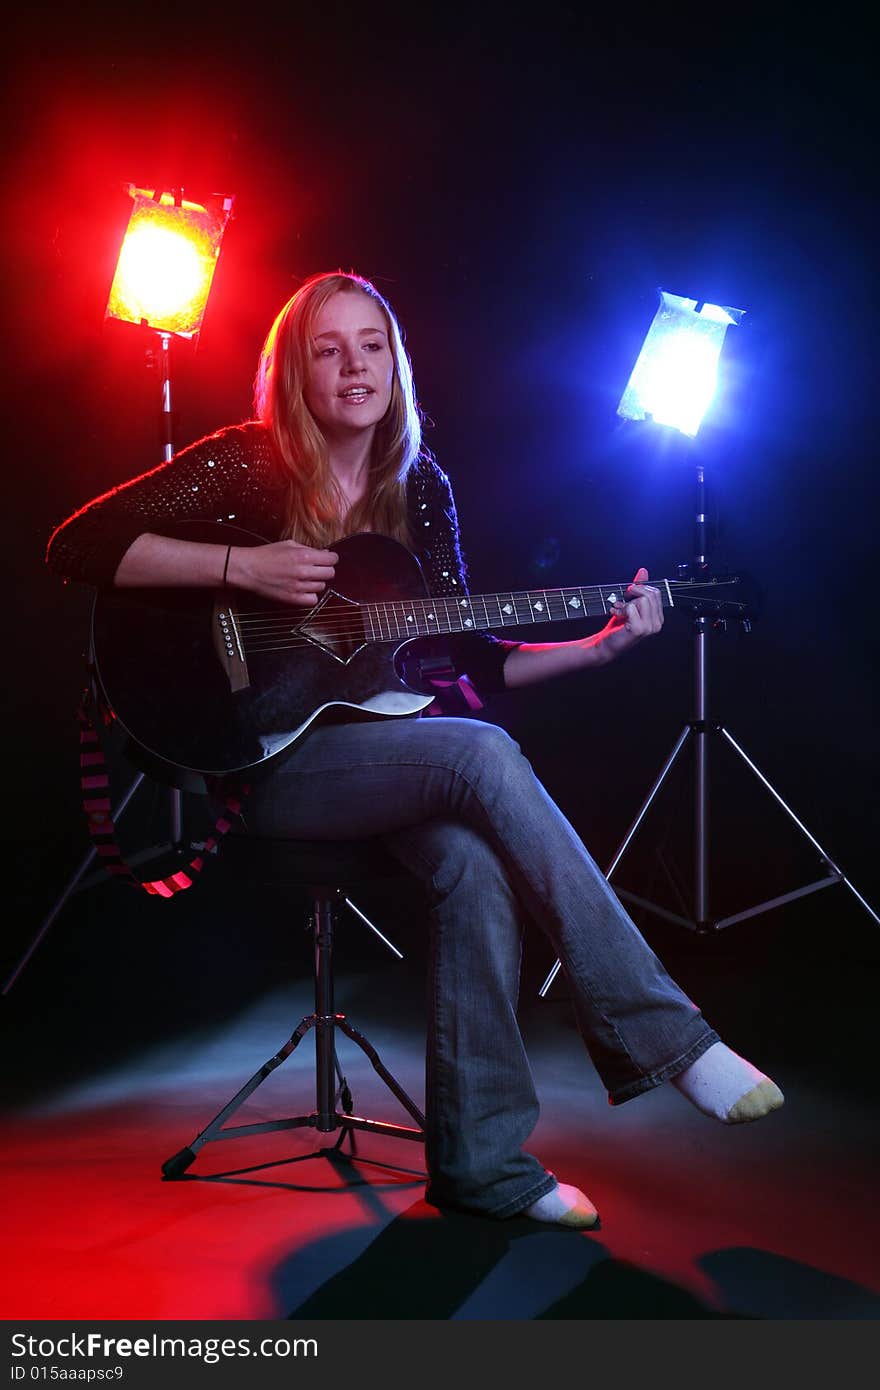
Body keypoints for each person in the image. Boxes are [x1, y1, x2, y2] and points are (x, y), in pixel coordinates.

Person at [46, 269, 783, 1229]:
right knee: (474, 754)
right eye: (328, 348)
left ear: (395, 360)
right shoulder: (249, 462)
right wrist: (243, 566)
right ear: (295, 372)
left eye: (372, 344)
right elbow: (77, 544)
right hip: (262, 766)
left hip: (380, 767)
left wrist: (602, 646)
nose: (355, 366)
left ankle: (485, 1169)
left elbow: (474, 659)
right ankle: (667, 1038)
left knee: (472, 858)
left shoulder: (418, 488)